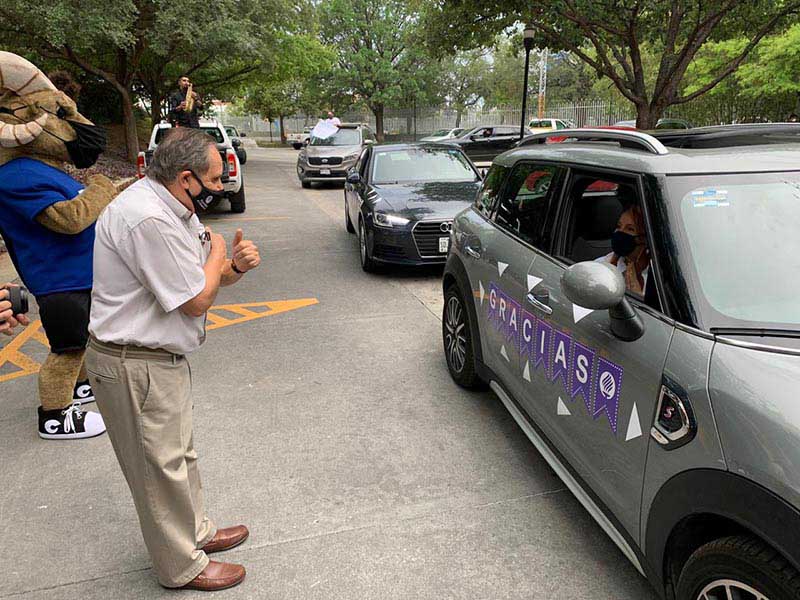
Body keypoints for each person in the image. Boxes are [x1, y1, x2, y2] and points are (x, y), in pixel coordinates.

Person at [85, 127, 261, 591]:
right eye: (215, 179)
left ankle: (197, 533)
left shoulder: (173, 208)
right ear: (185, 178)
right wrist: (221, 249)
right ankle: (181, 566)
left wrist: (234, 266)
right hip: (133, 362)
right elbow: (196, 300)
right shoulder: (148, 219)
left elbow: (209, 279)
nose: (219, 188)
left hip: (160, 359)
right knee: (156, 471)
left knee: (179, 455)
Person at [0, 51, 111, 440]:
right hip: (58, 281)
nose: (76, 127)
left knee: (81, 341)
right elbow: (69, 218)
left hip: (77, 274)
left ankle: (78, 390)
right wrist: (103, 190)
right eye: (62, 117)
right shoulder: (15, 175)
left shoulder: (43, 169)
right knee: (66, 349)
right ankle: (55, 414)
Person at [597, 187, 650, 296]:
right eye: (619, 226)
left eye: (630, 229)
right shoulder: (601, 266)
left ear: (644, 239)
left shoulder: (658, 271)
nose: (620, 233)